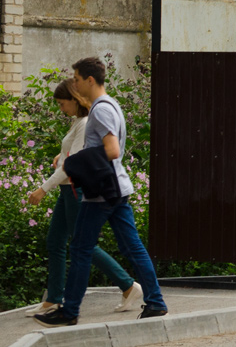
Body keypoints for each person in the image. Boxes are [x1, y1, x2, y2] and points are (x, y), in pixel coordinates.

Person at [36, 57, 168, 327]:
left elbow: (112, 150)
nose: (73, 84)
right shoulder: (109, 105)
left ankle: (69, 311)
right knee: (132, 247)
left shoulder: (101, 110)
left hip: (103, 193)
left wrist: (73, 162)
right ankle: (155, 302)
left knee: (81, 248)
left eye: (76, 79)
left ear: (89, 80)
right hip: (116, 189)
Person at [25, 79, 141, 317]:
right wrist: (61, 153)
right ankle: (53, 300)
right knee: (55, 241)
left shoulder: (86, 121)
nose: (61, 109)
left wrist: (42, 189)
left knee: (83, 245)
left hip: (75, 190)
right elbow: (73, 153)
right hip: (67, 190)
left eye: (62, 104)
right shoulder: (78, 122)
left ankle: (129, 285)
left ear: (75, 100)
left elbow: (72, 164)